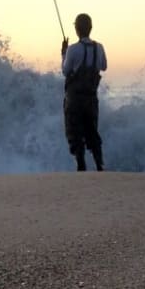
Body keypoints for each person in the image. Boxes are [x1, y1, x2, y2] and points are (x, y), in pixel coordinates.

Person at [61, 13, 107, 171]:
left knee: (74, 133)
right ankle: (99, 164)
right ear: (91, 28)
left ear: (76, 29)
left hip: (74, 100)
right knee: (92, 132)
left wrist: (64, 53)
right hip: (91, 99)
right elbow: (104, 66)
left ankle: (81, 165)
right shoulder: (99, 47)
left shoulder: (72, 49)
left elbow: (66, 71)